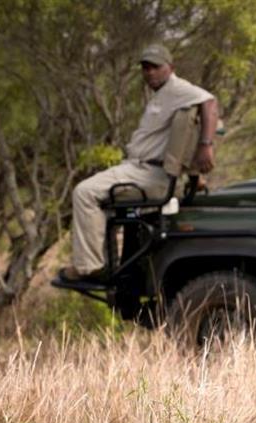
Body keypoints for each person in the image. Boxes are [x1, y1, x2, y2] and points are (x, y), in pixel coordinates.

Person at [59, 44, 218, 283]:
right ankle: (106, 264)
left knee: (84, 192)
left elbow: (210, 102)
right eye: (145, 67)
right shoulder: (162, 94)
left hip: (151, 174)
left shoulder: (177, 88)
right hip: (139, 168)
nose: (149, 72)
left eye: (155, 67)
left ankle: (89, 267)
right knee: (97, 200)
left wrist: (206, 145)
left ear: (170, 68)